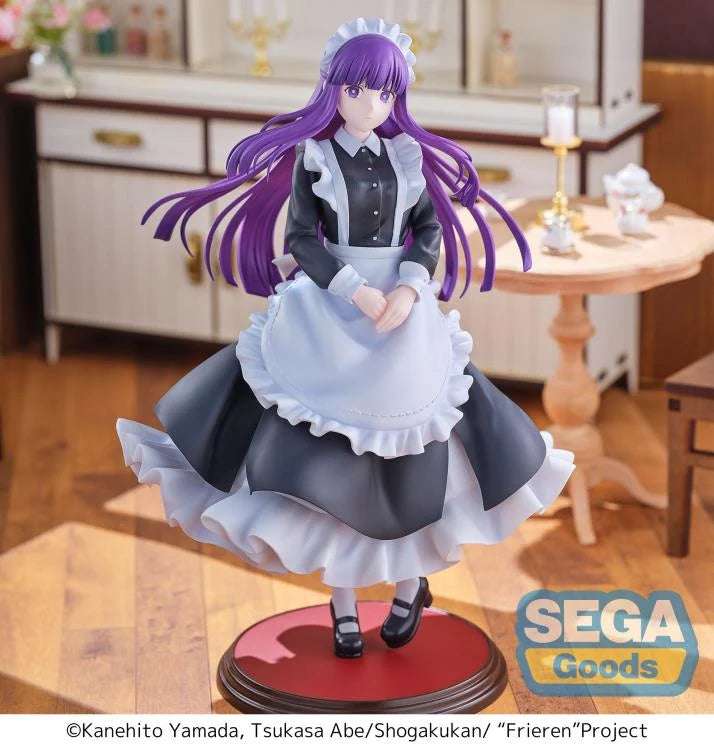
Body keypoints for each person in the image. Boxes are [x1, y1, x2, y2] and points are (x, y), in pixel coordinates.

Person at [116, 18, 575, 659]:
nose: (370, 105)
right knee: (331, 468)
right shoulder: (316, 158)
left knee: (416, 454)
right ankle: (343, 604)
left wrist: (409, 289)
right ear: (333, 89)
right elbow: (301, 239)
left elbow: (428, 232)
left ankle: (411, 585)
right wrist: (355, 289)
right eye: (357, 91)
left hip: (402, 315)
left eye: (384, 93)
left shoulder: (406, 158)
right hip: (333, 306)